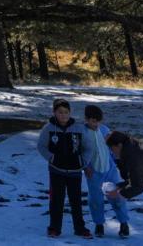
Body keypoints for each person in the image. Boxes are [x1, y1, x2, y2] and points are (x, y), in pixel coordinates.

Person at [37, 98, 92, 239]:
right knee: (57, 200)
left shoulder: (78, 128)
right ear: (54, 112)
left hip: (75, 172)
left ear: (70, 113)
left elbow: (88, 148)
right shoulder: (48, 128)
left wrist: (83, 162)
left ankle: (80, 228)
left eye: (66, 112)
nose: (64, 115)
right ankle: (54, 228)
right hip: (56, 171)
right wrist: (52, 158)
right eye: (60, 112)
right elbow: (41, 146)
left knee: (76, 200)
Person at [82, 105, 130, 238]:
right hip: (94, 172)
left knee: (117, 196)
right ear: (86, 119)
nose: (95, 124)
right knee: (96, 199)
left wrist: (119, 161)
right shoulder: (82, 133)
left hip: (110, 169)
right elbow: (79, 152)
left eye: (98, 121)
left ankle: (124, 223)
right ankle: (99, 224)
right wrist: (85, 166)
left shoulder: (105, 130)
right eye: (92, 121)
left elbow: (113, 148)